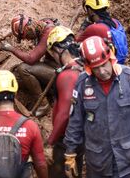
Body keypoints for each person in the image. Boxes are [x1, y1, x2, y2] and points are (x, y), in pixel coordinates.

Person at [64, 36, 130, 178]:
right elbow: (75, 121)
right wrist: (70, 152)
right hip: (97, 161)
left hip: (127, 159)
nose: (101, 71)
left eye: (104, 65)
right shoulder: (82, 84)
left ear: (111, 57)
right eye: (95, 68)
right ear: (88, 67)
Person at [0, 14, 58, 117]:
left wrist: (11, 49)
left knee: (23, 69)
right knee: (17, 76)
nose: (26, 39)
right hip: (53, 66)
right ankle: (48, 92)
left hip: (60, 72)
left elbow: (31, 59)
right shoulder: (42, 25)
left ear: (28, 28)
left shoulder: (48, 32)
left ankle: (43, 104)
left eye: (25, 36)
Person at [45, 26, 84, 178]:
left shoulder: (68, 75)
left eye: (52, 53)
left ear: (58, 50)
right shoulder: (81, 68)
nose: (53, 57)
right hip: (80, 136)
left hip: (66, 137)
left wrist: (51, 141)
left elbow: (65, 112)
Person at [76, 0, 129, 64]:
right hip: (119, 63)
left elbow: (75, 44)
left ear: (90, 10)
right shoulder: (116, 22)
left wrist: (84, 26)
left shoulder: (94, 28)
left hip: (106, 66)